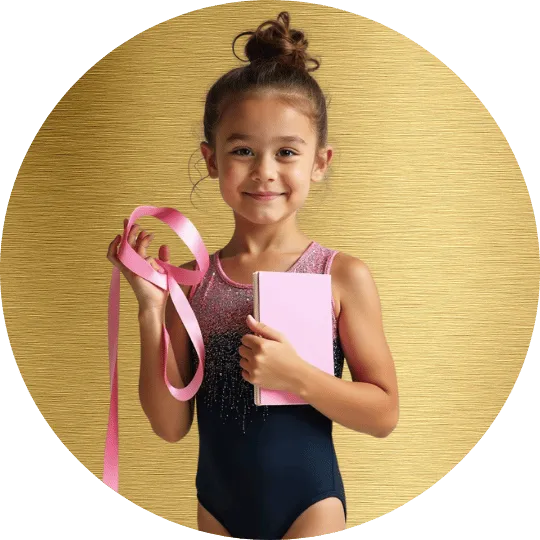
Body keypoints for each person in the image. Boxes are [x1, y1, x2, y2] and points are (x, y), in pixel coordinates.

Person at [107, 11, 399, 539]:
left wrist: (298, 377)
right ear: (212, 160)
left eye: (286, 151)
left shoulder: (340, 276)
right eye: (243, 150)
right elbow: (170, 426)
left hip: (310, 506)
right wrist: (152, 307)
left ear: (320, 161)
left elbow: (383, 414)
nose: (264, 169)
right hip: (216, 508)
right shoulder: (193, 285)